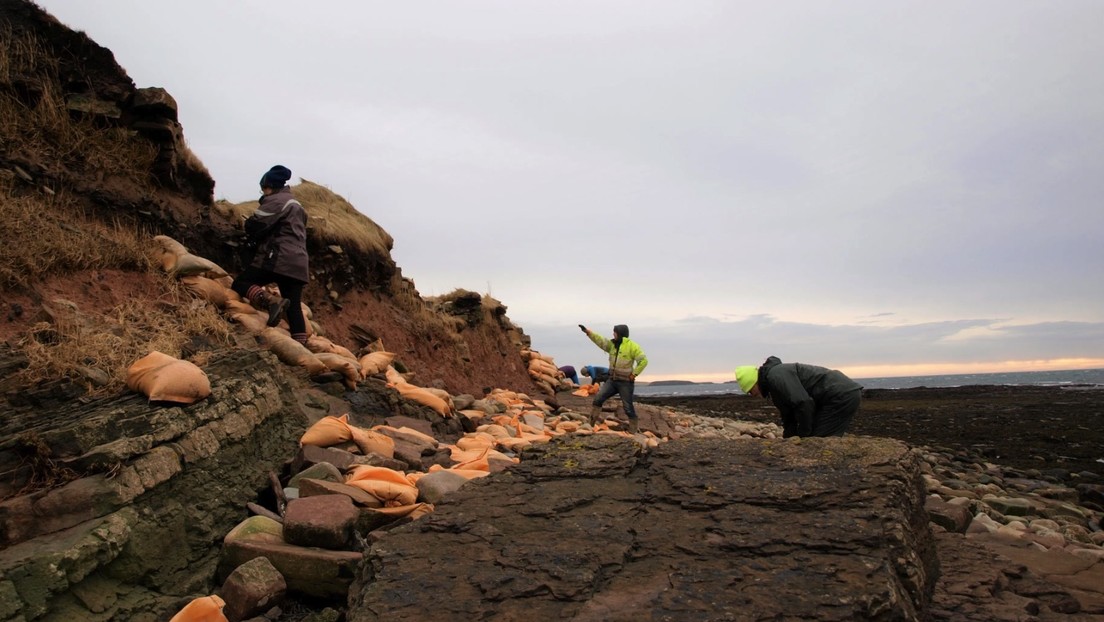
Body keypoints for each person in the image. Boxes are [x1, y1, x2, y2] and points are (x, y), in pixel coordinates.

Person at [231, 165, 310, 345]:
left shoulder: (277, 200)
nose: (264, 192)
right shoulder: (297, 205)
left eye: (264, 188)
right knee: (294, 307)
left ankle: (270, 302)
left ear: (270, 185)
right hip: (299, 263)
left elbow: (255, 225)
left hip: (279, 258)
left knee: (241, 282)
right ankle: (302, 350)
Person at [734, 355, 862, 438]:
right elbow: (788, 416)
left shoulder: (776, 376)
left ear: (754, 382)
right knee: (818, 438)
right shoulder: (774, 382)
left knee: (818, 441)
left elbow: (804, 403)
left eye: (750, 391)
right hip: (839, 394)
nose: (753, 395)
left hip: (841, 395)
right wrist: (788, 440)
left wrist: (803, 436)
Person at [578, 323, 648, 433]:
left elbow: (643, 361)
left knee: (628, 408)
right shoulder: (612, 345)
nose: (613, 334)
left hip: (625, 382)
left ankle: (633, 430)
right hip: (612, 380)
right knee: (598, 399)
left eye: (614, 332)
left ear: (620, 333)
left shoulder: (633, 346)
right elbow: (600, 341)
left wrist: (634, 374)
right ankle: (589, 425)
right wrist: (588, 332)